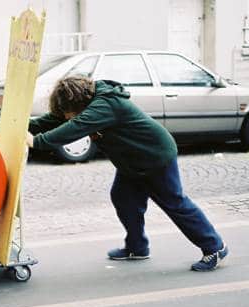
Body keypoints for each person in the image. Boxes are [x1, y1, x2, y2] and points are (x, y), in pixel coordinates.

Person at [26, 76, 228, 272]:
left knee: (175, 204)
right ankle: (137, 247)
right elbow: (53, 120)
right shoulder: (85, 104)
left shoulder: (105, 105)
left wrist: (37, 142)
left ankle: (215, 247)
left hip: (155, 156)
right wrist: (21, 125)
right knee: (124, 199)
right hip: (131, 162)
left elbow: (74, 127)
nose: (66, 116)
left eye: (68, 112)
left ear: (78, 102)